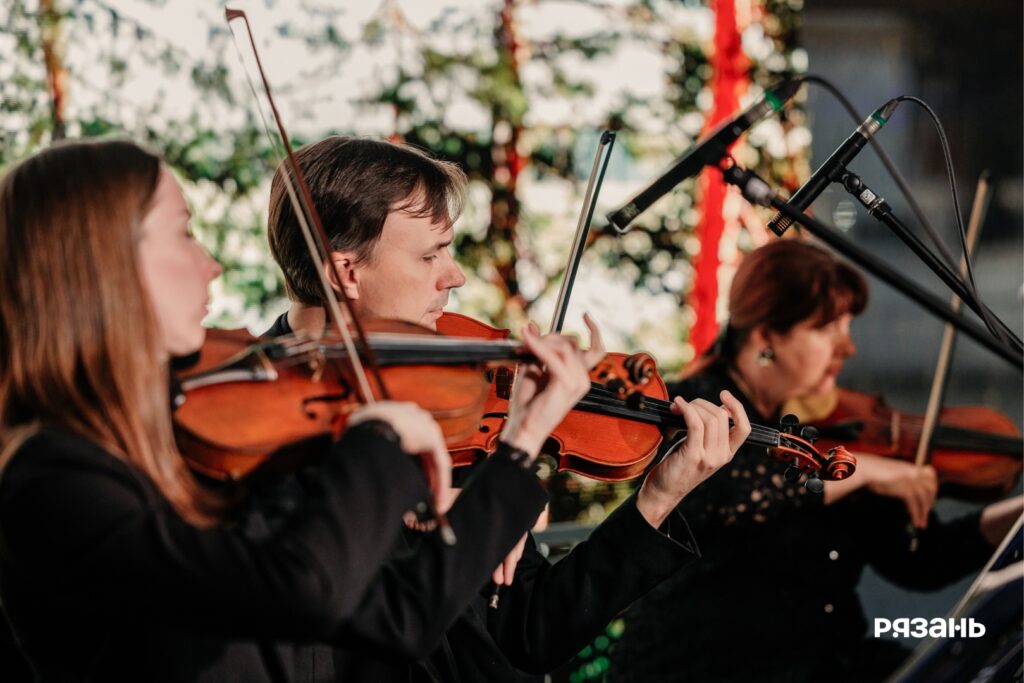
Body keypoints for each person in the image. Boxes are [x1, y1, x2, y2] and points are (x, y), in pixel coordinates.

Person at [0, 139, 596, 681]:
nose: (212, 265)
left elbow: (402, 619)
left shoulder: (173, 444)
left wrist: (520, 443)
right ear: (103, 264)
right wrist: (380, 441)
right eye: (182, 233)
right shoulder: (54, 477)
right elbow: (300, 587)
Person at [260, 134, 754, 681]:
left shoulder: (458, 405)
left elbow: (526, 634)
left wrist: (658, 499)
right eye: (430, 255)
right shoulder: (250, 432)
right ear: (345, 272)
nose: (455, 275)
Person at [607, 238, 1023, 682]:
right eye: (828, 330)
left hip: (827, 661)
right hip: (706, 668)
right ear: (767, 337)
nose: (848, 348)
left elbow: (921, 558)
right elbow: (734, 494)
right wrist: (871, 469)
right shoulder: (692, 409)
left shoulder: (834, 429)